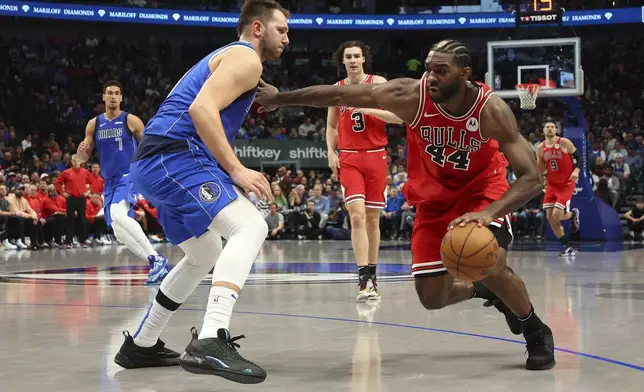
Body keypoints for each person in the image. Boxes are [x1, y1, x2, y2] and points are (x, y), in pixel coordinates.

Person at [255, 39, 555, 371]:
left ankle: (535, 330)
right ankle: (484, 291)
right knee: (431, 297)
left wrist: (488, 213)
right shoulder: (411, 96)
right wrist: (279, 98)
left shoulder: (490, 109)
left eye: (441, 71)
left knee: (490, 263)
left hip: (481, 192)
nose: (432, 78)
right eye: (429, 70)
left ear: (465, 73)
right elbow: (337, 95)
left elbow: (532, 178)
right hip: (433, 201)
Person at [114, 0, 290, 384]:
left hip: (158, 161)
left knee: (205, 252)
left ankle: (142, 344)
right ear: (258, 28)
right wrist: (237, 169)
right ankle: (212, 337)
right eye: (282, 30)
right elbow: (201, 110)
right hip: (174, 157)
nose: (287, 39)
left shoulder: (229, 59)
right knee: (251, 226)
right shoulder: (246, 58)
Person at [327, 41, 400, 302]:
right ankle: (362, 278)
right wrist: (330, 151)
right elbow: (332, 126)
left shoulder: (377, 83)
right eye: (349, 56)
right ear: (343, 61)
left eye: (357, 56)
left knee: (372, 220)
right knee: (356, 217)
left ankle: (373, 276)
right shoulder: (337, 89)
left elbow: (398, 116)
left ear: (363, 60)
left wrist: (368, 109)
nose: (353, 60)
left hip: (375, 157)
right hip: (349, 158)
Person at [77, 81, 169, 284]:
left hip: (129, 175)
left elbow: (148, 147)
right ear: (103, 97)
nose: (112, 97)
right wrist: (81, 153)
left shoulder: (131, 120)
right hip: (109, 182)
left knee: (118, 214)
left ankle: (156, 257)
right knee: (118, 231)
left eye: (117, 93)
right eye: (109, 93)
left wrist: (151, 171)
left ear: (121, 98)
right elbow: (82, 156)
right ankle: (155, 261)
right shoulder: (94, 124)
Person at [535, 122, 581, 256]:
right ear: (543, 130)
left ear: (556, 130)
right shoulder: (539, 148)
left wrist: (576, 171)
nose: (549, 128)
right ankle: (567, 247)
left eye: (552, 126)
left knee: (556, 215)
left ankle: (572, 215)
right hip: (551, 184)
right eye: (547, 126)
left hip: (566, 184)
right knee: (550, 217)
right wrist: (543, 180)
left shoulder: (564, 142)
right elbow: (540, 167)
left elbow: (579, 157)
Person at [54, 154, 93, 249]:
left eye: (77, 161)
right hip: (70, 198)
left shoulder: (85, 172)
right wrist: (63, 193)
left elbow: (93, 181)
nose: (76, 163)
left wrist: (88, 191)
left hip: (81, 198)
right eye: (74, 161)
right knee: (70, 220)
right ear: (71, 162)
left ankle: (82, 241)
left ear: (80, 162)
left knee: (82, 220)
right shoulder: (66, 172)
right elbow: (57, 182)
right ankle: (68, 241)